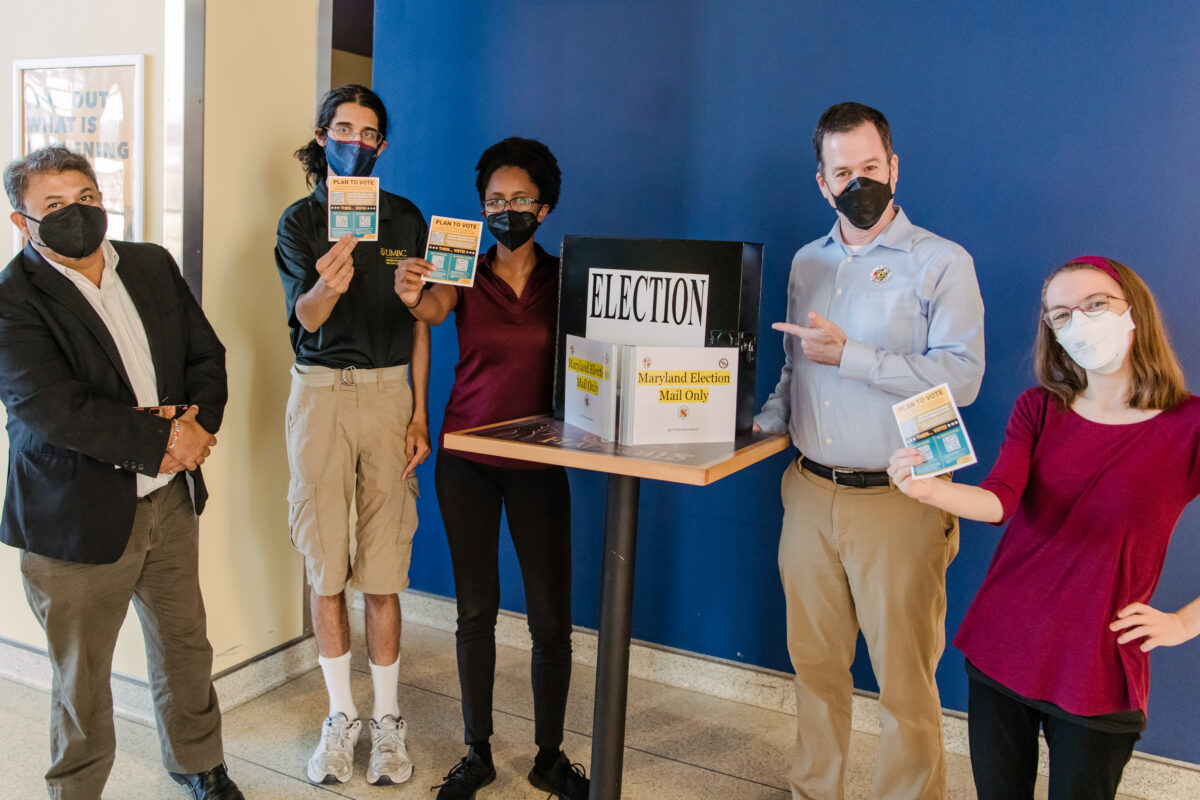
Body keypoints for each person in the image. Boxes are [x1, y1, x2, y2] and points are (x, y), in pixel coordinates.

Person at [889, 256, 1200, 800]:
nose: (1079, 322)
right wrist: (929, 488)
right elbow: (999, 501)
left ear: (1135, 310)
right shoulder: (1038, 408)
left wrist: (1183, 623)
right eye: (1061, 314)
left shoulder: (1189, 426)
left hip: (1097, 667)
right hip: (1002, 644)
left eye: (1095, 304)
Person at [754, 102, 986, 800]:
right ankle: (813, 788)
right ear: (822, 182)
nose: (860, 182)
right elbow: (797, 366)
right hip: (809, 491)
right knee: (815, 666)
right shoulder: (807, 261)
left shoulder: (941, 262)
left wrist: (854, 355)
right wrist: (764, 420)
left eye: (871, 167)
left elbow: (963, 378)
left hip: (902, 498)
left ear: (894, 168)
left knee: (905, 681)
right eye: (843, 171)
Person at [0, 146, 240, 800]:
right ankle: (76, 792)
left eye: (86, 198)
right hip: (73, 521)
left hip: (169, 505)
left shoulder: (151, 264)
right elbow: (55, 408)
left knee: (186, 648)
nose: (76, 214)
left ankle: (201, 766)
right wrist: (166, 438)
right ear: (23, 221)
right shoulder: (12, 299)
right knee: (82, 680)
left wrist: (199, 428)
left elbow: (205, 356)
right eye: (54, 206)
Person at [396, 137, 589, 800]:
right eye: (494, 201)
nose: (506, 209)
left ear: (545, 206)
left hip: (539, 461)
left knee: (551, 620)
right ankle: (475, 751)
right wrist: (412, 290)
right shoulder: (461, 266)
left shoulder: (570, 278)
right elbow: (433, 310)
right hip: (467, 459)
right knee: (476, 609)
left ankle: (550, 756)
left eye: (519, 200)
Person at [274, 84, 431, 787]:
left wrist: (421, 412)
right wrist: (328, 284)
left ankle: (389, 721)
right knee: (325, 562)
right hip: (318, 396)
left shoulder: (403, 216)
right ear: (323, 133)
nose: (357, 141)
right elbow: (303, 318)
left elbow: (426, 318)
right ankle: (341, 718)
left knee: (385, 568)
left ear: (383, 145)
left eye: (370, 133)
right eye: (345, 128)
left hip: (388, 393)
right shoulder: (299, 221)